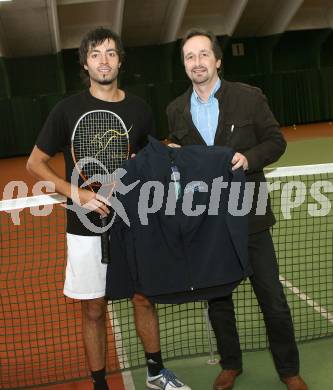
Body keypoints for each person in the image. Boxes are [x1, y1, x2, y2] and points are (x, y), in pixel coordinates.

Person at [26, 27, 190, 390]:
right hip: (84, 226)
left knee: (144, 297)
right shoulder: (66, 109)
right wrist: (77, 194)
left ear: (120, 61)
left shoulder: (139, 108)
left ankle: (155, 373)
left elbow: (151, 157)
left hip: (132, 223)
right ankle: (100, 384)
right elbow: (35, 164)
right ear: (85, 62)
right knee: (94, 309)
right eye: (96, 53)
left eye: (111, 53)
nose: (104, 60)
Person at [166, 28, 308, 390]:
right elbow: (182, 161)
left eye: (202, 55)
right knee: (218, 301)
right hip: (208, 221)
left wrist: (250, 158)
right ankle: (231, 364)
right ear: (184, 65)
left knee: (272, 301)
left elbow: (275, 141)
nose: (197, 62)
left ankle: (289, 371)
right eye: (189, 57)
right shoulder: (176, 111)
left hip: (252, 218)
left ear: (217, 60)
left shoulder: (249, 98)